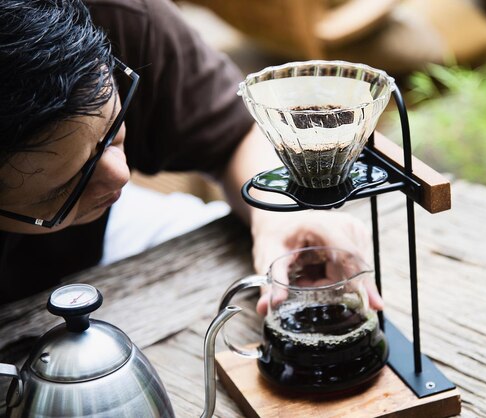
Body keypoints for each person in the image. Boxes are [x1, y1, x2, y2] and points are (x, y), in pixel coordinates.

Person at [0, 0, 382, 311]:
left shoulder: (116, 18)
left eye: (112, 130)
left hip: (109, 232)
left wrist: (278, 219)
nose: (122, 175)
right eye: (68, 183)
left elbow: (237, 135)